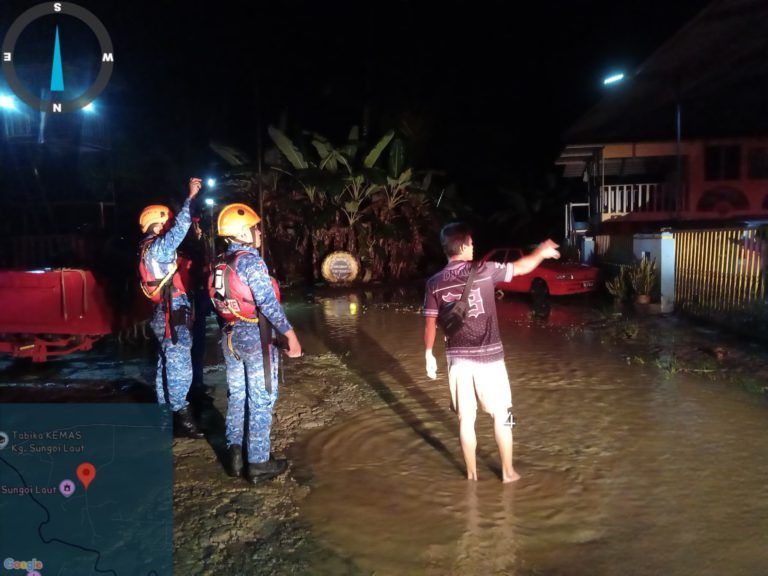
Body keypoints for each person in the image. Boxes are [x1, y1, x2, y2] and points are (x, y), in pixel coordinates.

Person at [422, 222, 560, 483]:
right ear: (462, 246)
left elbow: (430, 323)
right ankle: (508, 472)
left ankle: (472, 476)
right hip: (491, 360)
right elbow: (520, 267)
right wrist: (541, 251)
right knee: (504, 414)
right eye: (471, 243)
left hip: (458, 361)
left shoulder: (434, 283)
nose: (474, 247)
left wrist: (428, 354)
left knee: (466, 420)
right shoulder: (485, 270)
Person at [209, 203, 302, 483]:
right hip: (255, 337)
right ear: (242, 233)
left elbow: (215, 302)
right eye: (254, 227)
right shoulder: (250, 262)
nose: (259, 231)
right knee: (261, 399)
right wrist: (291, 335)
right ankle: (259, 463)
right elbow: (269, 304)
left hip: (230, 336)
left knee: (237, 396)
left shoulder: (220, 262)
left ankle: (235, 454)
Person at [138, 177, 204, 439]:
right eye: (167, 221)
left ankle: (166, 417)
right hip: (172, 314)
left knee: (165, 364)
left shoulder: (147, 248)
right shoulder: (158, 248)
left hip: (163, 312)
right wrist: (191, 197)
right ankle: (182, 419)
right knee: (178, 366)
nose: (170, 225)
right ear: (159, 223)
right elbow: (180, 228)